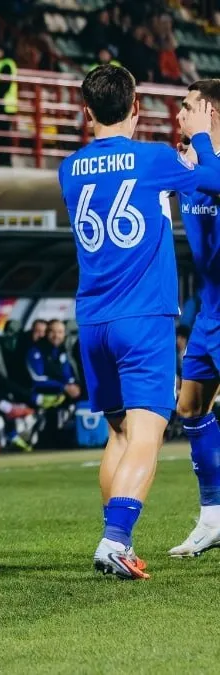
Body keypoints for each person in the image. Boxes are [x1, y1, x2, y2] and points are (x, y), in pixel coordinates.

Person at [57, 64, 220, 580]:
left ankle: (114, 538)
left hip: (93, 321)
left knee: (120, 435)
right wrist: (201, 135)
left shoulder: (69, 168)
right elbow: (213, 178)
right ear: (135, 108)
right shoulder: (154, 159)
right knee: (149, 433)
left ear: (86, 111)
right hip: (143, 318)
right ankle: (115, 541)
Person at [171, 79, 220, 558]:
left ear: (210, 112)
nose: (179, 115)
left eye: (188, 107)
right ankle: (212, 518)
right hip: (210, 310)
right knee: (190, 409)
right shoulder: (190, 161)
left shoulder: (210, 161)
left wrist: (201, 141)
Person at [26, 319, 81, 408]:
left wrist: (73, 386)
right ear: (47, 333)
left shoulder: (62, 352)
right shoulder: (35, 351)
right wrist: (64, 387)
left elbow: (68, 376)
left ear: (64, 334)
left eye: (60, 332)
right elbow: (37, 379)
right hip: (40, 396)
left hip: (62, 394)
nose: (56, 336)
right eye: (52, 331)